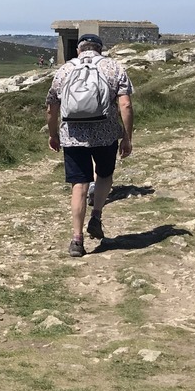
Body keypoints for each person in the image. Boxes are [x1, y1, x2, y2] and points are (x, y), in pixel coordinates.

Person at [45, 33, 134, 257]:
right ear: (100, 49)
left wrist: (53, 134)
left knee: (79, 185)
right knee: (104, 175)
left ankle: (77, 240)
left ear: (79, 50)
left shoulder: (65, 70)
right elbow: (126, 105)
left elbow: (51, 106)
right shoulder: (114, 67)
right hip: (106, 134)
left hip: (72, 135)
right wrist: (127, 137)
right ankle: (96, 215)